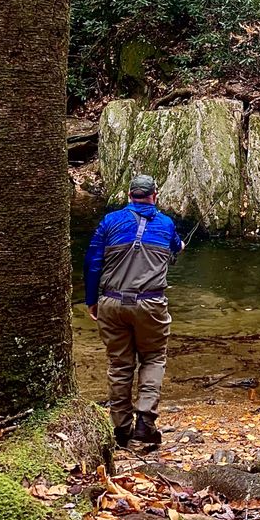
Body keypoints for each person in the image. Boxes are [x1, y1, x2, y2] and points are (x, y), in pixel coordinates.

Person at [84, 174, 184, 447]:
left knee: (119, 364)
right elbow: (176, 247)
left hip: (112, 303)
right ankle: (145, 421)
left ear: (129, 196)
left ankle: (121, 428)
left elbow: (93, 262)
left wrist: (91, 299)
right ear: (154, 196)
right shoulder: (165, 223)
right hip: (151, 304)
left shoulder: (110, 221)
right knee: (152, 358)